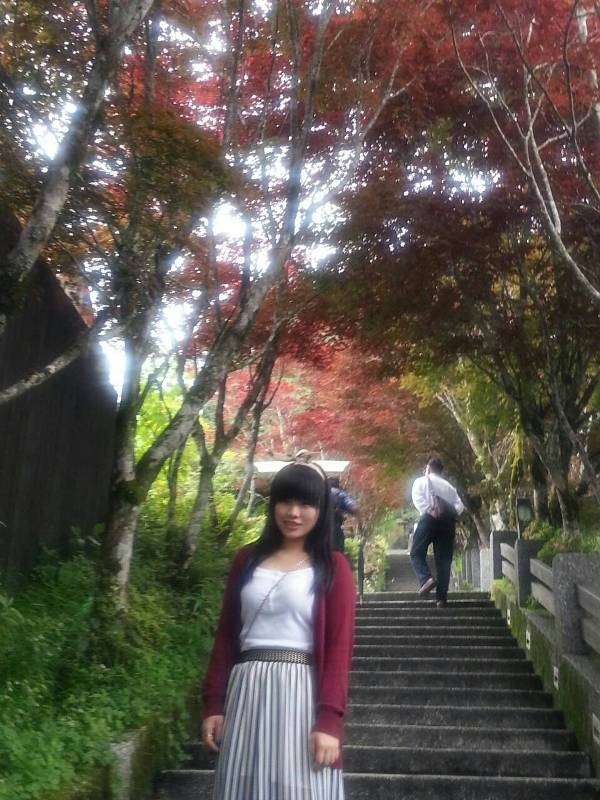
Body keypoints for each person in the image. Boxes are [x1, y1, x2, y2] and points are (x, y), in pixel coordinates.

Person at [201, 461, 356, 800]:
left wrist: (329, 720)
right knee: (241, 787)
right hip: (246, 689)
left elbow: (339, 649)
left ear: (321, 510)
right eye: (286, 501)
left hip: (300, 692)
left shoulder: (333, 567)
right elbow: (225, 636)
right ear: (273, 505)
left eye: (306, 504)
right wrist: (214, 703)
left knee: (300, 788)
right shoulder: (246, 560)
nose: (294, 513)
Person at [410, 457, 465, 608]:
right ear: (441, 471)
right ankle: (441, 599)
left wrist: (429, 510)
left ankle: (426, 579)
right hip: (447, 523)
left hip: (429, 519)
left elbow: (417, 498)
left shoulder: (420, 481)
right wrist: (449, 513)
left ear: (428, 468)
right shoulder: (449, 487)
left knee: (416, 552)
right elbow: (460, 506)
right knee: (444, 561)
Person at [328, 477, 362, 553]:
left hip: (318, 533)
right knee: (336, 556)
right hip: (335, 533)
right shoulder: (340, 494)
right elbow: (354, 508)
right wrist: (359, 523)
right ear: (338, 485)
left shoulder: (319, 493)